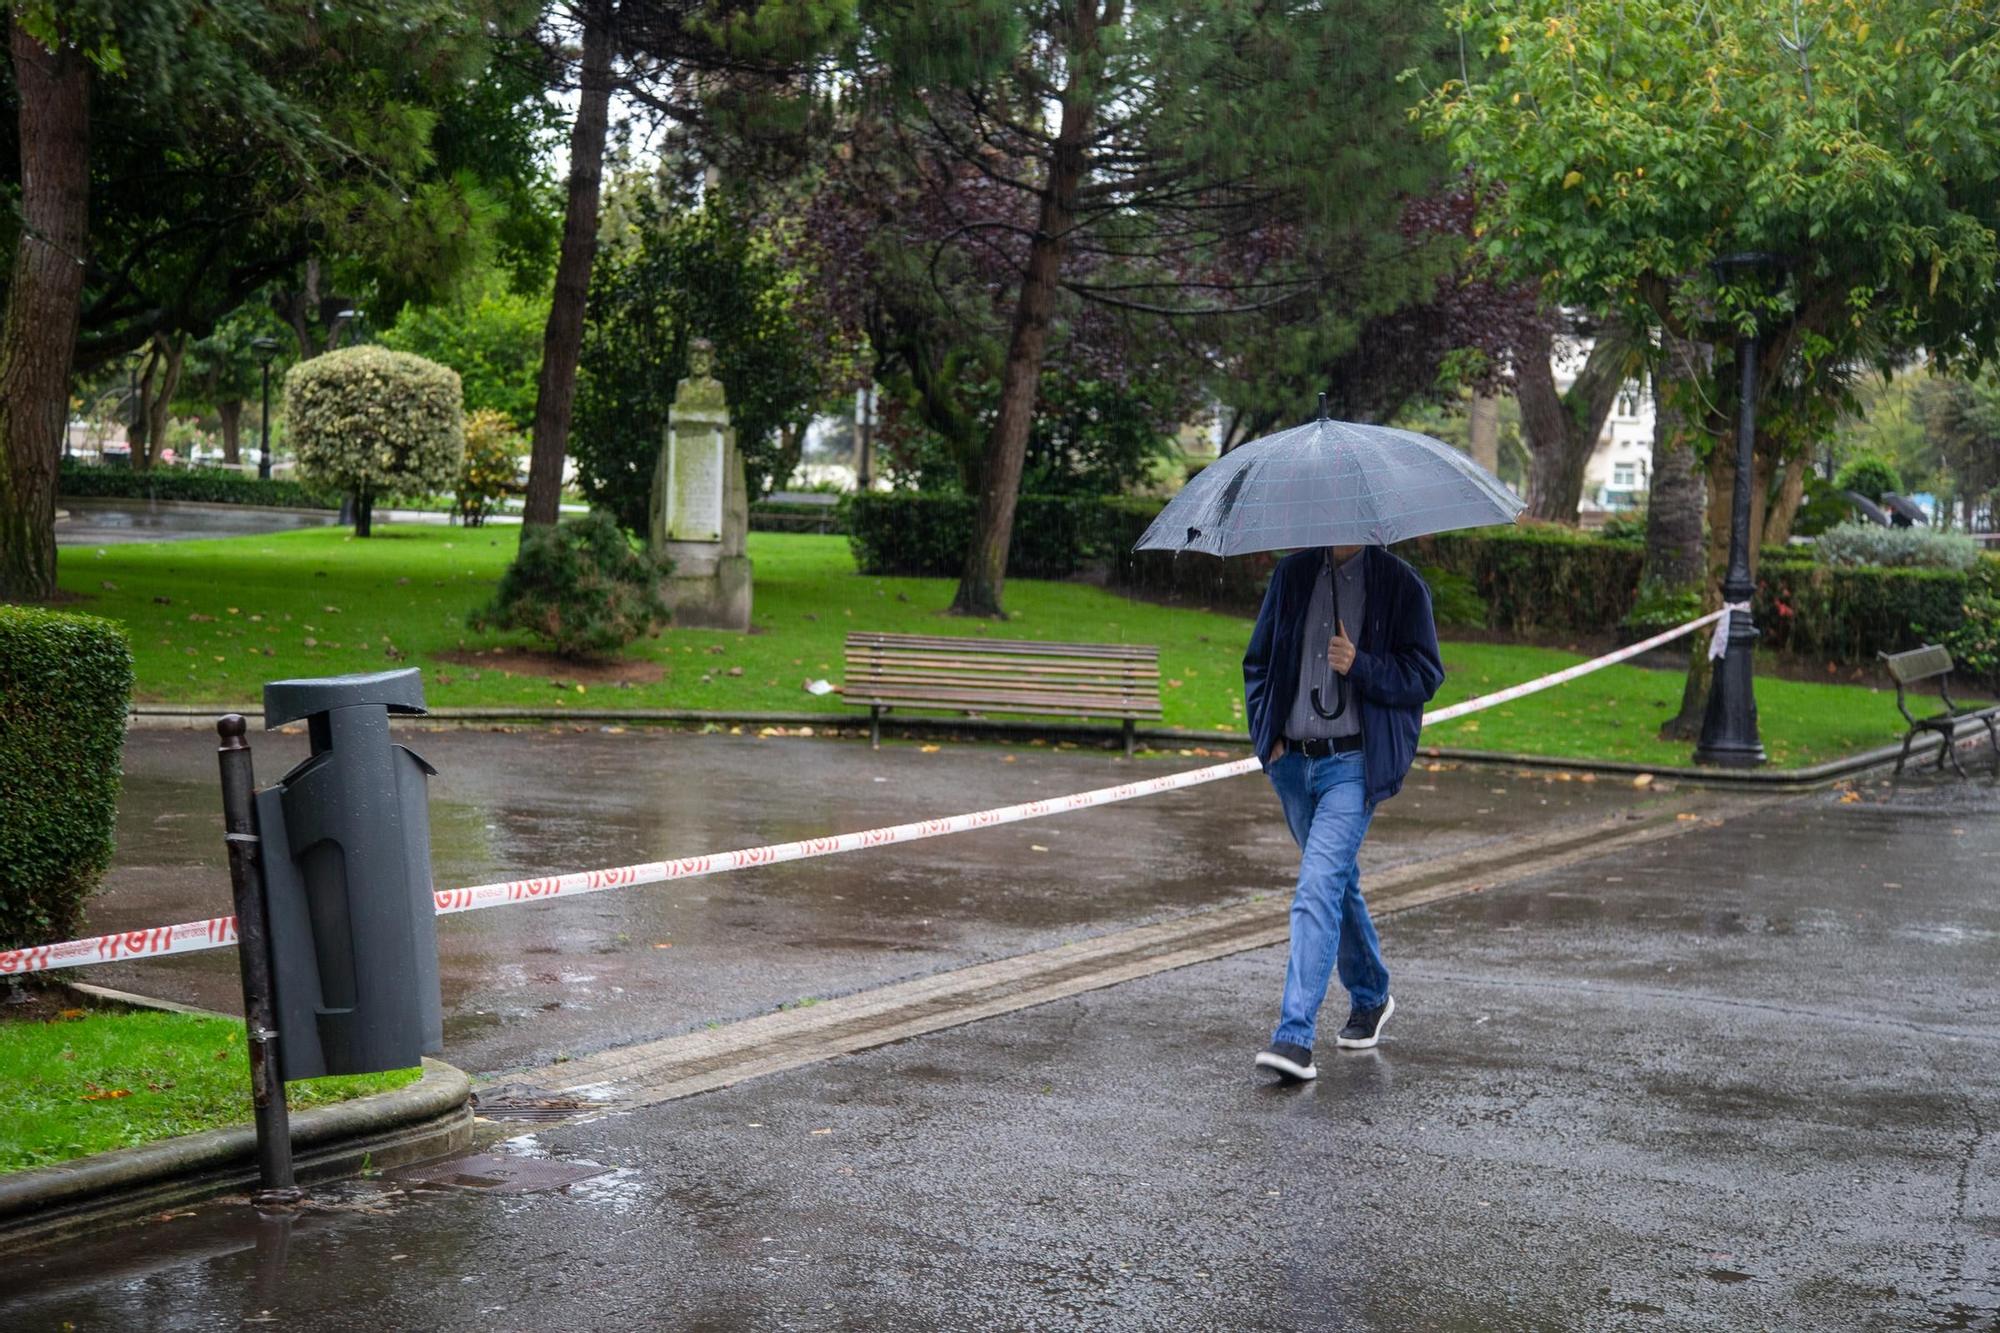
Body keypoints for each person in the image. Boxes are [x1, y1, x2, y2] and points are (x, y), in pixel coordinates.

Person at [1242, 543, 1443, 1081]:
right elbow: (1258, 661)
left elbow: (1424, 675)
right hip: (1293, 765)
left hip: (1353, 765)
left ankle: (1293, 1038)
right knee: (1336, 882)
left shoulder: (1400, 584)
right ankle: (1372, 992)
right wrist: (1267, 739)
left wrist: (1361, 666)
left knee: (1316, 886)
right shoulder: (1292, 575)